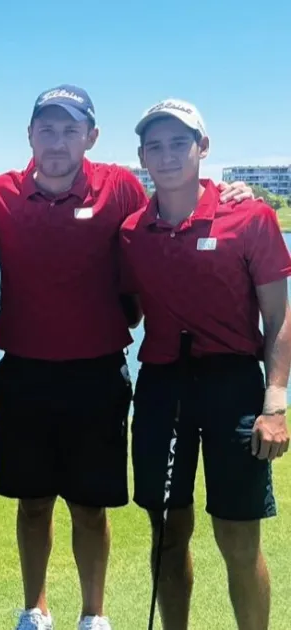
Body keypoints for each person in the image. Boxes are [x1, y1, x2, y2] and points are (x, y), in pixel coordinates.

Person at [0, 86, 255, 630]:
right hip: (24, 370)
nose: (57, 142)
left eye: (70, 130)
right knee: (32, 503)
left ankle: (93, 614)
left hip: (99, 371)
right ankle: (35, 609)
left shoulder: (120, 187)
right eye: (46, 129)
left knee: (90, 506)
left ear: (91, 136)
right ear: (29, 135)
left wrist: (229, 192)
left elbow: (174, 207)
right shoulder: (0, 195)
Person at [120, 98, 291, 630]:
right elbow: (128, 307)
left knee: (237, 536)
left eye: (180, 143)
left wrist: (275, 402)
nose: (167, 155)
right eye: (155, 146)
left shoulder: (252, 217)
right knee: (168, 532)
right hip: (163, 387)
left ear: (203, 147)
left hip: (233, 386)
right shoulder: (132, 230)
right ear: (142, 157)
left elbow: (278, 317)